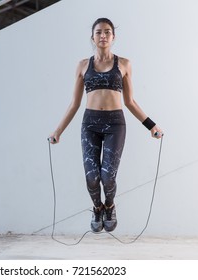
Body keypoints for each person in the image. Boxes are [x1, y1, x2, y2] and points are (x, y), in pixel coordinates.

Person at [48, 18, 163, 233]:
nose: (103, 35)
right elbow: (74, 104)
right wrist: (58, 131)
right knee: (92, 177)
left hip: (115, 125)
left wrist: (151, 125)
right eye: (98, 32)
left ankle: (109, 206)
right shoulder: (83, 65)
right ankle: (97, 207)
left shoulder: (124, 64)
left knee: (108, 176)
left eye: (107, 32)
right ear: (92, 37)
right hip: (90, 124)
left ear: (113, 37)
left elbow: (130, 101)